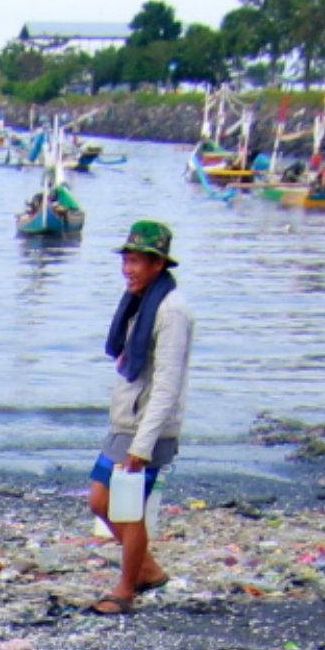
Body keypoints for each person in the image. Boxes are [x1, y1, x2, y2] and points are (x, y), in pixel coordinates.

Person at [87, 218, 192, 614]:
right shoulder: (138, 303)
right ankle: (146, 569)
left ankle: (126, 590)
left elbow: (167, 384)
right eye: (126, 260)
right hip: (127, 421)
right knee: (101, 500)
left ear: (158, 265)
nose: (129, 269)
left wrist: (143, 445)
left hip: (149, 428)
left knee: (127, 507)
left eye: (137, 262)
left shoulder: (172, 312)